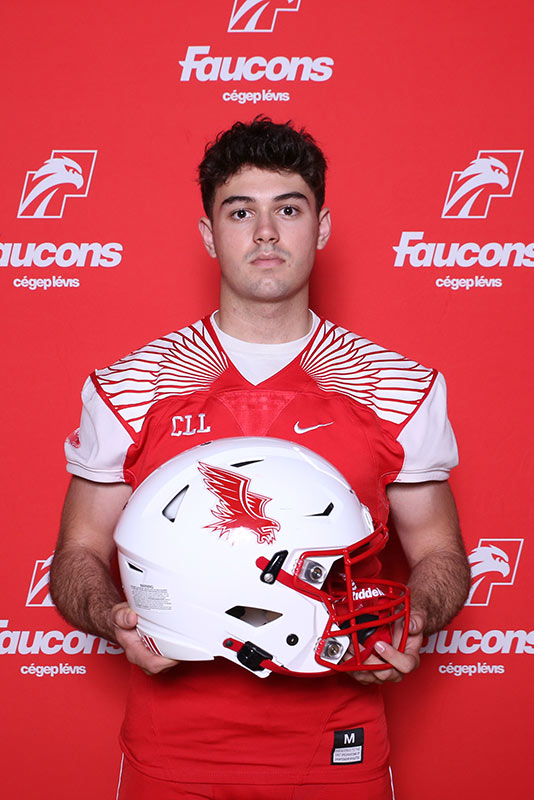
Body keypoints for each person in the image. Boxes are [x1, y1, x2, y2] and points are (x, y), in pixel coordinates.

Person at [50, 117, 470, 800]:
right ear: (209, 234)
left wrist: (409, 619)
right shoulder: (130, 387)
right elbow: (76, 555)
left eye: (289, 210)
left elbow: (441, 554)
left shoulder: (397, 387)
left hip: (337, 748)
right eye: (240, 212)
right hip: (172, 753)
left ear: (322, 228)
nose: (266, 233)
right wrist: (110, 617)